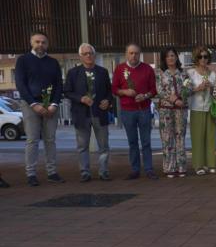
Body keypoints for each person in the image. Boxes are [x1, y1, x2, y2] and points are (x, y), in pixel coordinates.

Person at [15, 31, 65, 186]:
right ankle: (31, 174)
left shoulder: (53, 62)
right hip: (31, 105)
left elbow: (58, 85)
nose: (40, 45)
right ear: (31, 43)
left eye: (43, 42)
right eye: (37, 42)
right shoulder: (23, 60)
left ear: (47, 44)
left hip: (51, 106)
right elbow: (21, 85)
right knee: (32, 140)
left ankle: (52, 172)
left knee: (50, 140)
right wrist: (34, 104)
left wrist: (54, 104)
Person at [64, 43, 112, 182]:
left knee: (104, 146)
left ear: (94, 55)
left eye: (90, 53)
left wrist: (107, 101)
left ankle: (104, 171)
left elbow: (110, 91)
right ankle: (85, 172)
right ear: (80, 56)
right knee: (82, 146)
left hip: (100, 113)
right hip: (81, 114)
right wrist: (80, 98)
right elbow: (67, 92)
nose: (88, 56)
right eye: (85, 54)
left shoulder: (102, 72)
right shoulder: (73, 73)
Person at [112, 43, 159, 180]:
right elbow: (114, 89)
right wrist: (125, 91)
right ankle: (135, 170)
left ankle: (149, 169)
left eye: (136, 53)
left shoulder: (147, 69)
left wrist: (144, 96)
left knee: (146, 142)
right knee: (132, 142)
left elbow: (154, 90)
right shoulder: (120, 69)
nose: (134, 56)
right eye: (131, 53)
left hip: (144, 109)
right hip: (127, 111)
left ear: (140, 54)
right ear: (126, 54)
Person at [156, 47, 190, 178]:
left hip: (181, 109)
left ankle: (181, 167)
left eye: (173, 55)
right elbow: (160, 91)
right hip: (166, 110)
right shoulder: (160, 74)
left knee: (180, 137)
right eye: (168, 56)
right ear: (165, 58)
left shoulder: (183, 73)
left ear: (176, 57)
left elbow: (189, 87)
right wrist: (174, 99)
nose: (171, 58)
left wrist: (183, 97)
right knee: (167, 138)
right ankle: (169, 168)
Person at [187, 46, 216, 175]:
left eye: (205, 56)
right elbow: (185, 92)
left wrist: (211, 88)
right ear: (196, 58)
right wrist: (197, 88)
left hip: (210, 108)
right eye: (200, 56)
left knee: (211, 137)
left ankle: (210, 164)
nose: (203, 59)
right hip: (196, 108)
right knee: (197, 137)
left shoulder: (213, 74)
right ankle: (198, 165)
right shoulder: (190, 73)